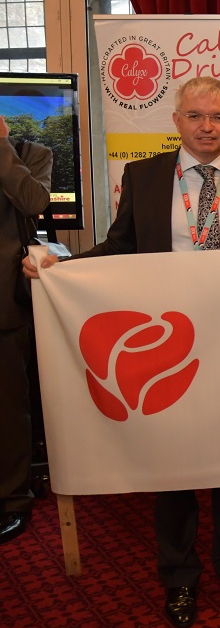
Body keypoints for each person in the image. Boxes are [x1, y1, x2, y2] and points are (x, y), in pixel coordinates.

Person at [23, 77, 220, 627]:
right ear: (177, 120)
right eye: (197, 116)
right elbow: (121, 246)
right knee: (172, 464)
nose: (208, 127)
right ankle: (179, 577)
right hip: (169, 345)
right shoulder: (146, 175)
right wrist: (65, 264)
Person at [0, 115, 51, 546]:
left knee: (9, 409)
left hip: (4, 304)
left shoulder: (33, 154)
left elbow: (34, 202)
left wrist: (1, 146)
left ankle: (14, 499)